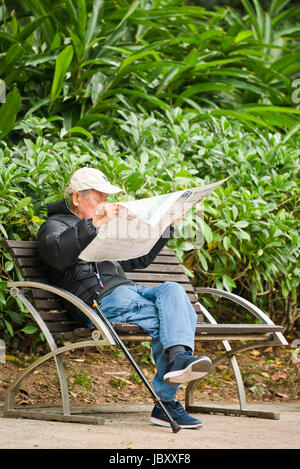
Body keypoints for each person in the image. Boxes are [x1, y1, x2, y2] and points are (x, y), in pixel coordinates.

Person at [37, 167, 212, 429]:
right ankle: (167, 400)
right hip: (99, 301)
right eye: (99, 198)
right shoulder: (53, 226)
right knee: (170, 319)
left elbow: (138, 259)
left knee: (173, 290)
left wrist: (166, 226)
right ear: (77, 198)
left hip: (128, 291)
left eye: (106, 199)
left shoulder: (103, 224)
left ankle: (177, 359)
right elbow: (57, 254)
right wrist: (93, 225)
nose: (104, 204)